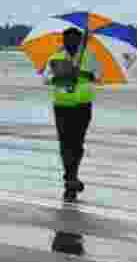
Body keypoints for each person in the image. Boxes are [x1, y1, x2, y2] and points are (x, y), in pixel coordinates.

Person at [42, 27, 102, 201]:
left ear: (80, 41)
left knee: (77, 143)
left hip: (83, 106)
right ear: (63, 41)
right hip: (61, 106)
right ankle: (70, 180)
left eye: (74, 40)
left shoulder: (89, 57)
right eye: (67, 40)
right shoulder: (55, 57)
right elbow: (45, 78)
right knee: (64, 143)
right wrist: (62, 76)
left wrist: (82, 73)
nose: (70, 44)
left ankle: (71, 177)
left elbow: (99, 76)